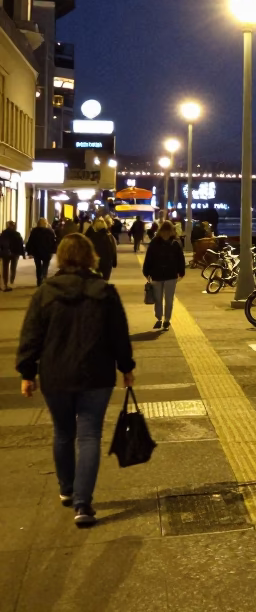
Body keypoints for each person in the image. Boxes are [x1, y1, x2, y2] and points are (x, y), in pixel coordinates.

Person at [16, 232, 135, 527]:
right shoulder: (104, 292)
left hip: (56, 374)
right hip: (96, 374)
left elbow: (31, 335)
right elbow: (119, 335)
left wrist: (27, 372)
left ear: (62, 257)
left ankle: (67, 489)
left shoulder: (45, 293)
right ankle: (83, 503)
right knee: (89, 435)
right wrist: (126, 367)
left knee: (63, 432)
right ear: (91, 257)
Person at [142, 220, 185, 330]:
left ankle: (165, 320)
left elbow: (180, 259)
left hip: (168, 275)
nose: (166, 233)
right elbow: (149, 258)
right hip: (159, 275)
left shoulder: (174, 243)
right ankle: (160, 318)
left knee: (166, 299)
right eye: (164, 231)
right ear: (160, 231)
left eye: (168, 231)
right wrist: (146, 271)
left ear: (171, 232)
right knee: (160, 299)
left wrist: (181, 271)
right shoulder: (156, 243)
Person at [26, 218, 57, 286]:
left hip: (37, 251)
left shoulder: (34, 231)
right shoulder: (50, 231)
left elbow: (31, 241)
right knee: (45, 266)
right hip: (47, 251)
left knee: (38, 267)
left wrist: (29, 251)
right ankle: (44, 278)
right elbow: (53, 242)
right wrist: (53, 250)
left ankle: (39, 280)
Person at [0, 221, 25, 291]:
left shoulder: (3, 234)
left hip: (6, 253)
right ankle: (11, 281)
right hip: (15, 253)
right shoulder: (17, 234)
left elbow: (1, 244)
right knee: (13, 268)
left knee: (5, 268)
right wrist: (23, 254)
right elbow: (21, 244)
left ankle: (5, 282)